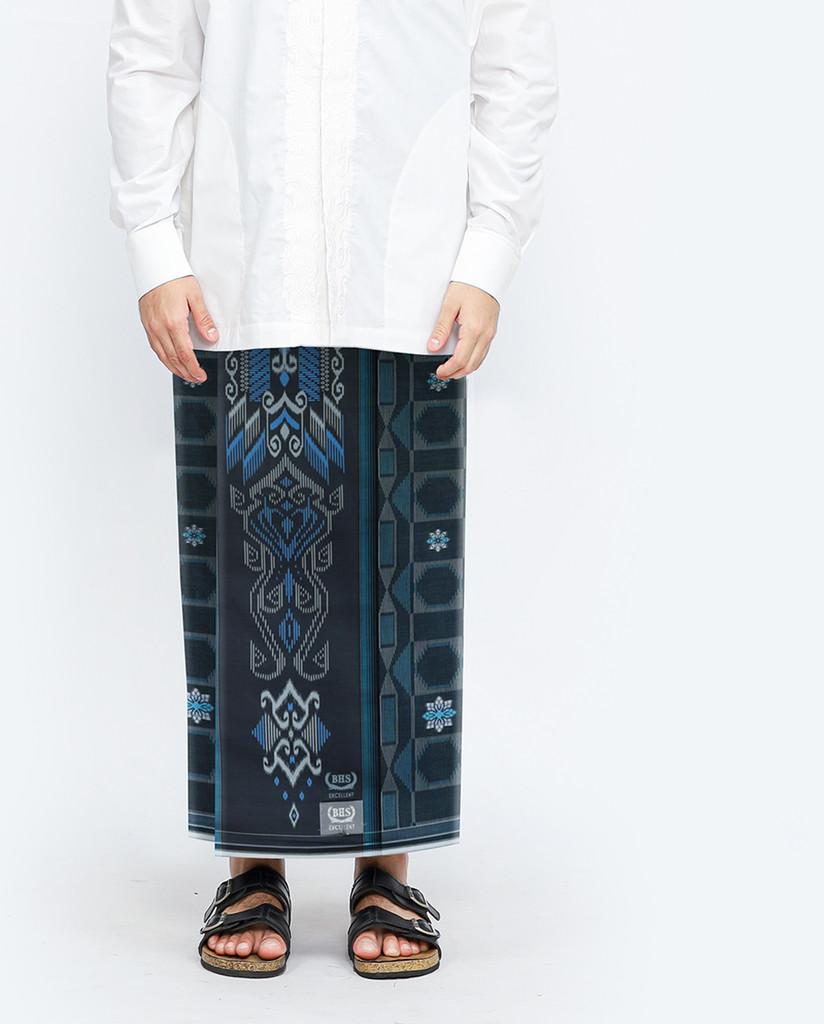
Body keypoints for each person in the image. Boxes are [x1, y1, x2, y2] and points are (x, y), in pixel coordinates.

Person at [106, 0, 558, 979]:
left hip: (411, 271)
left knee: (397, 581)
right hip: (240, 269)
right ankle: (251, 864)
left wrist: (489, 249)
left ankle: (385, 867)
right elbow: (152, 46)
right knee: (244, 582)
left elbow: (513, 60)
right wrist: (154, 240)